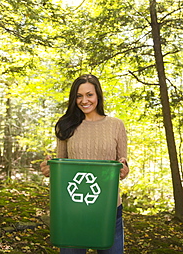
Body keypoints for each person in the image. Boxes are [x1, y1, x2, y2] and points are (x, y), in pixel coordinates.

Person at [40, 74, 129, 254]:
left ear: (98, 96)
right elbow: (62, 165)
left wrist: (124, 169)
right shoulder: (66, 126)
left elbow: (123, 164)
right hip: (72, 207)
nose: (84, 100)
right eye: (79, 96)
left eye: (89, 95)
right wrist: (49, 169)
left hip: (108, 208)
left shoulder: (116, 125)